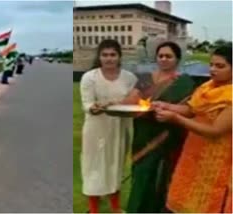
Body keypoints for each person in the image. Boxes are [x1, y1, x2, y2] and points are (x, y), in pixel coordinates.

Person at [154, 44, 232, 213]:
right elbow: (191, 110)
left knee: (207, 202)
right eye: (211, 64)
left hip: (216, 161)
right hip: (193, 154)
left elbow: (215, 131)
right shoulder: (207, 87)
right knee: (181, 198)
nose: (213, 69)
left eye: (220, 66)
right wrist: (167, 106)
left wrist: (175, 118)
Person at [126, 41, 196, 213]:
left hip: (168, 135)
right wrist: (113, 105)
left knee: (162, 177)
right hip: (143, 135)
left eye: (169, 56)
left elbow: (190, 110)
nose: (164, 59)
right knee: (141, 177)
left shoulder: (184, 82)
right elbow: (129, 102)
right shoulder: (145, 79)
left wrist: (166, 108)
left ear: (177, 59)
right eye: (161, 56)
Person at [80, 39, 138, 213]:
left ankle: (115, 208)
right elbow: (87, 104)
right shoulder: (90, 77)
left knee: (116, 165)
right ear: (99, 57)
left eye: (113, 54)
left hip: (120, 128)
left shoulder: (129, 78)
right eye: (105, 55)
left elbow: (134, 102)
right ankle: (94, 209)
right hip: (96, 128)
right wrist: (96, 108)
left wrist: (116, 104)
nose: (109, 59)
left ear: (119, 56)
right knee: (94, 167)